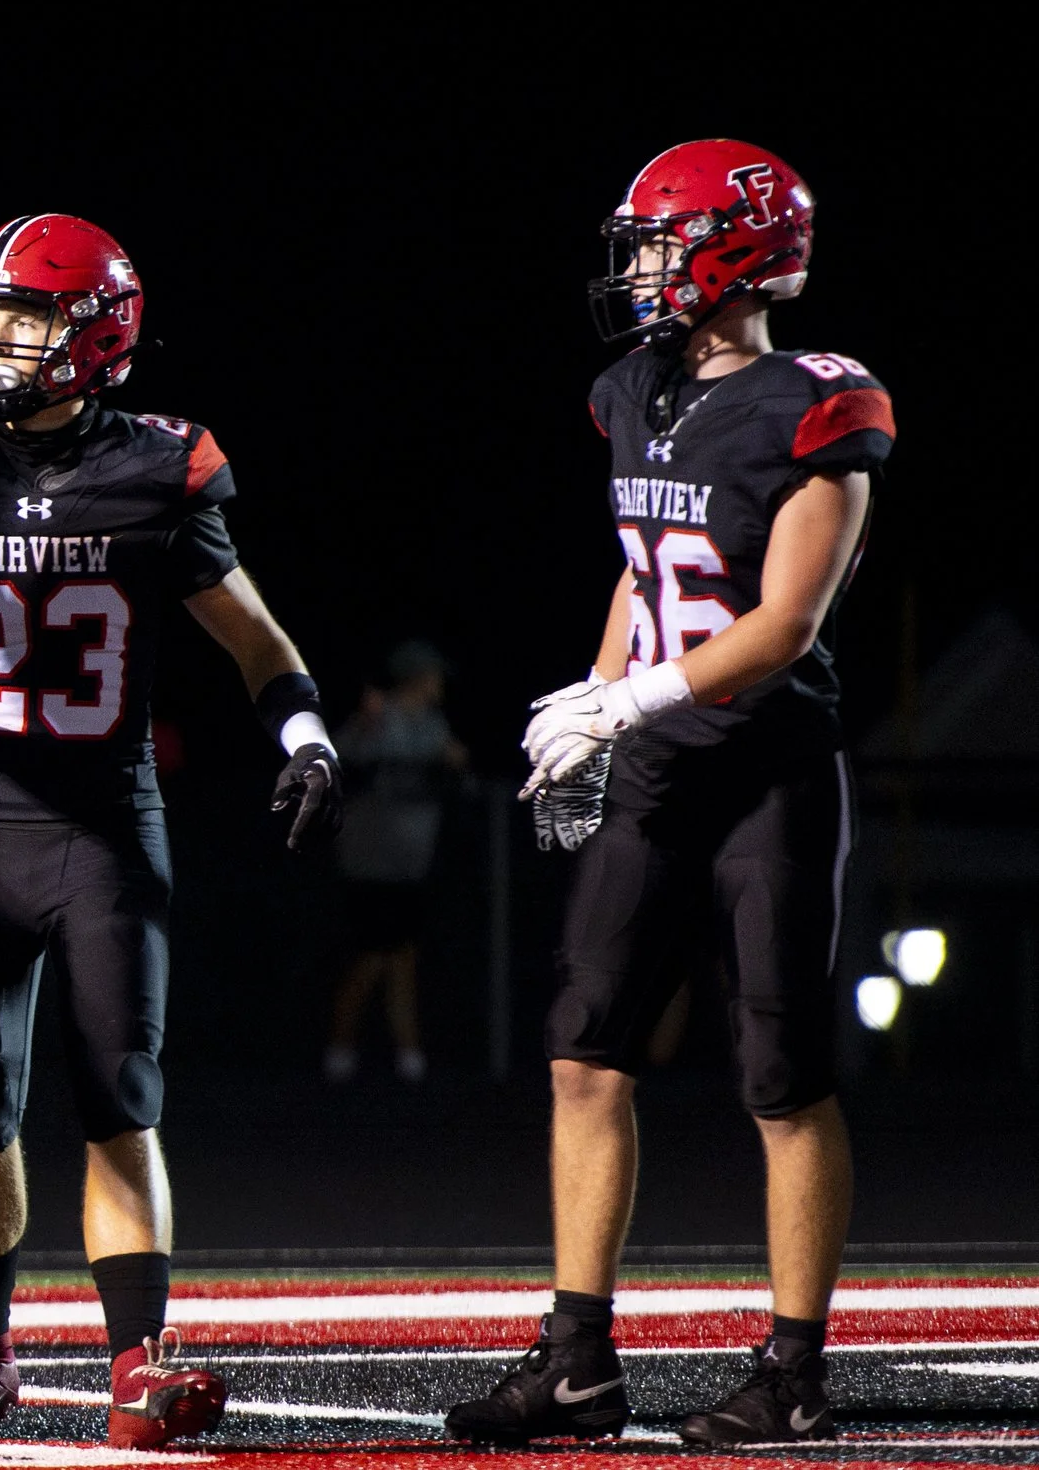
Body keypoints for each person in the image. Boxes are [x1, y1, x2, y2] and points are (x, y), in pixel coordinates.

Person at [0, 216, 342, 1448]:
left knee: (121, 1097)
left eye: (23, 316)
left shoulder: (160, 465)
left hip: (107, 825)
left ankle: (135, 1364)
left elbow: (254, 637)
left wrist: (305, 734)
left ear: (93, 334)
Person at [448, 141, 893, 1446]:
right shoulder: (634, 387)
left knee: (781, 1075)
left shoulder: (823, 401)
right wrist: (596, 703)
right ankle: (577, 1359)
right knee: (583, 1058)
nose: (637, 264)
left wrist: (632, 698)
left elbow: (787, 623)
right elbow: (644, 565)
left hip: (765, 766)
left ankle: (794, 1366)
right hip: (654, 763)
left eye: (658, 239)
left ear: (733, 249)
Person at [322, 639, 466, 1083]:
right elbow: (339, 758)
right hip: (369, 866)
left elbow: (456, 762)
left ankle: (407, 1058)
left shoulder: (432, 724)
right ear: (418, 678)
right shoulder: (376, 717)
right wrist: (366, 726)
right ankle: (341, 1054)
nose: (440, 683)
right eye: (434, 676)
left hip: (410, 867)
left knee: (401, 959)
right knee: (370, 961)